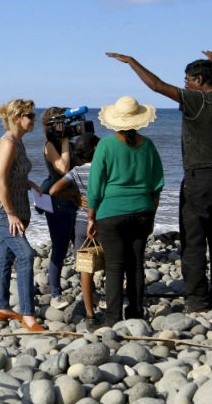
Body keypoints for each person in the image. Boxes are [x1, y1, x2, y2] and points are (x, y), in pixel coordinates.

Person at [105, 50, 212, 312]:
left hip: (199, 177)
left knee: (194, 241)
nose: (185, 83)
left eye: (188, 79)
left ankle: (198, 301)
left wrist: (132, 61)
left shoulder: (196, 99)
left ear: (199, 80)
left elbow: (157, 86)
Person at [85, 96, 163, 326]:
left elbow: (95, 186)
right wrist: (151, 214)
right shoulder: (148, 145)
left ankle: (112, 318)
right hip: (143, 211)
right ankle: (136, 313)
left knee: (114, 266)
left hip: (111, 213)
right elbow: (157, 185)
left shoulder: (106, 146)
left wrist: (91, 216)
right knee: (136, 264)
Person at [0, 99, 45, 332]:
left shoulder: (19, 142)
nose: (34, 119)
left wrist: (29, 183)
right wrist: (11, 214)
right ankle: (28, 315)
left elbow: (12, 173)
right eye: (30, 116)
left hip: (16, 208)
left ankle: (1, 306)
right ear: (17, 118)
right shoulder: (9, 142)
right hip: (2, 210)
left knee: (6, 257)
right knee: (26, 254)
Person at [49, 133, 100, 329]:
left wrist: (74, 196)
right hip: (103, 219)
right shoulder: (104, 168)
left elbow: (53, 190)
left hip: (81, 221)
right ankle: (109, 303)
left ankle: (89, 313)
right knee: (110, 262)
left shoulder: (77, 171)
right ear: (96, 149)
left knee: (84, 266)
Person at [40, 107, 79, 310]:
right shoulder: (49, 145)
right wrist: (64, 141)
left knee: (81, 248)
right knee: (60, 248)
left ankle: (91, 291)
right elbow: (63, 169)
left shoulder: (70, 144)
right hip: (57, 202)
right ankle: (55, 294)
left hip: (74, 200)